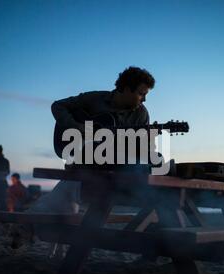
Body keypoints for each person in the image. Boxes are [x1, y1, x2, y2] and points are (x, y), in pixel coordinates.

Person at [18, 67, 156, 256]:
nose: (144, 99)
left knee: (146, 164)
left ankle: (32, 225)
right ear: (125, 88)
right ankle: (36, 227)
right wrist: (77, 128)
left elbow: (139, 149)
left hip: (109, 165)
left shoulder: (141, 114)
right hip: (84, 158)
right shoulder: (95, 99)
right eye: (141, 93)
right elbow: (57, 106)